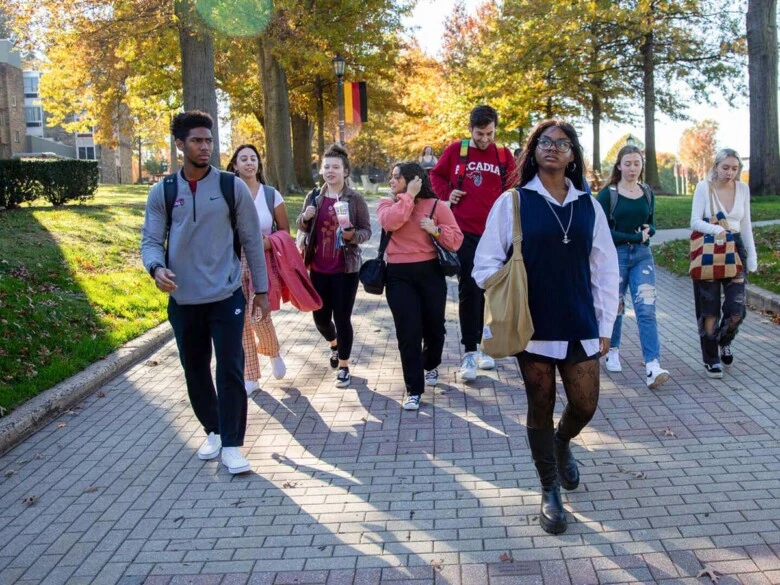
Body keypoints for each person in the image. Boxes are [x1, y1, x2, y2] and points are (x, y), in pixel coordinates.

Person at [473, 119, 619, 535]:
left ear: (573, 155)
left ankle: (560, 443)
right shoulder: (514, 202)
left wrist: (606, 323)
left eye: (563, 143)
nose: (553, 148)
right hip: (531, 325)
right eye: (544, 142)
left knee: (585, 403)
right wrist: (506, 293)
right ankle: (549, 488)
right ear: (533, 151)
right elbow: (484, 264)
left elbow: (606, 270)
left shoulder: (589, 206)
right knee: (540, 404)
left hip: (580, 320)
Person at [141, 111, 269, 475]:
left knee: (230, 367)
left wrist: (260, 289)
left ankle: (232, 443)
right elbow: (151, 241)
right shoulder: (163, 191)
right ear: (180, 144)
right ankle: (213, 429)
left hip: (227, 293)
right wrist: (156, 268)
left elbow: (251, 242)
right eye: (197, 140)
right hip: (184, 299)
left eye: (209, 140)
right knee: (195, 369)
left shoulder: (231, 187)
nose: (205, 147)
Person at [429, 104, 517, 381]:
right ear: (471, 130)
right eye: (480, 134)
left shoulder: (503, 155)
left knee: (493, 290)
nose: (485, 139)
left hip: (495, 234)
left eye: (490, 133)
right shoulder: (457, 150)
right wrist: (447, 193)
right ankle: (469, 351)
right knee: (470, 290)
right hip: (464, 232)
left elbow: (515, 187)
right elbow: (435, 175)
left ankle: (486, 347)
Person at [377, 162, 463, 410]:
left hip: (430, 273)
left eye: (397, 177)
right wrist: (409, 197)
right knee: (408, 332)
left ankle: (431, 363)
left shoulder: (436, 206)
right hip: (398, 275)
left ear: (413, 179)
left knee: (435, 329)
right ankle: (414, 389)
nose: (391, 181)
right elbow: (392, 222)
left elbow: (456, 239)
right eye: (391, 177)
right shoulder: (387, 205)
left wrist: (435, 230)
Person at [297, 144, 371, 388]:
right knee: (319, 318)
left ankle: (344, 366)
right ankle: (334, 345)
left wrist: (352, 236)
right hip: (317, 269)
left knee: (342, 318)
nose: (331, 171)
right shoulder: (314, 197)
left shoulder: (355, 199)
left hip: (345, 270)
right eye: (326, 167)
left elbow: (366, 231)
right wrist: (305, 218)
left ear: (345, 171)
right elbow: (302, 226)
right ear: (321, 170)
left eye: (336, 167)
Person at [596, 145, 670, 389]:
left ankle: (652, 365)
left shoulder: (647, 192)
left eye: (636, 163)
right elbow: (601, 231)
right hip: (615, 256)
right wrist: (634, 237)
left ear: (641, 166)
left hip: (642, 256)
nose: (632, 168)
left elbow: (651, 223)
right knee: (615, 305)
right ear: (619, 165)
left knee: (646, 308)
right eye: (627, 163)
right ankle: (613, 349)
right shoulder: (609, 194)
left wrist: (649, 232)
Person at [226, 144, 288, 394]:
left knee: (260, 316)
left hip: (262, 259)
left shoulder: (271, 194)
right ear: (235, 165)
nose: (249, 163)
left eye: (253, 158)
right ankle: (251, 375)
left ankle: (273, 352)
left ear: (258, 165)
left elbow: (284, 232)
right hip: (232, 261)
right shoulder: (226, 193)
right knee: (239, 318)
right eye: (243, 159)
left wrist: (266, 242)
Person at [690, 148, 757, 378]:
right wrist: (716, 228)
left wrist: (752, 255)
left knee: (736, 309)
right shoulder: (703, 187)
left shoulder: (743, 189)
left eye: (734, 168)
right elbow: (694, 221)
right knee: (709, 310)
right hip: (710, 247)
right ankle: (711, 359)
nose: (730, 173)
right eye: (725, 167)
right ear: (716, 166)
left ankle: (724, 340)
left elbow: (746, 224)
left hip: (735, 248)